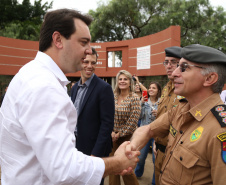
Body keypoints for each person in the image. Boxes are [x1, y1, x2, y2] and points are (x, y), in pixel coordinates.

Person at [0, 9, 140, 185]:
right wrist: (118, 162)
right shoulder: (44, 87)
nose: (89, 51)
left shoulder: (31, 74)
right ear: (58, 40)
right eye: (83, 42)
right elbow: (64, 169)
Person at [127, 44, 226, 184]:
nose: (174, 74)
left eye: (184, 67)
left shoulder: (220, 130)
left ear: (209, 78)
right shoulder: (182, 108)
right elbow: (148, 129)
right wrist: (131, 149)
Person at [71, 47, 115, 185]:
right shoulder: (73, 89)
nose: (89, 66)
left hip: (93, 151)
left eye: (93, 63)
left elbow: (107, 125)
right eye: (86, 62)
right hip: (74, 148)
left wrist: (95, 155)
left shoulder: (104, 88)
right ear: (80, 62)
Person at [154, 46, 182, 185]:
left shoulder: (184, 89)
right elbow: (161, 117)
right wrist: (155, 141)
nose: (169, 66)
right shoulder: (166, 88)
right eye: (166, 62)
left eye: (173, 62)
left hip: (175, 153)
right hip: (159, 149)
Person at [109, 70, 141, 185]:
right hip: (112, 138)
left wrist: (119, 133)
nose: (122, 81)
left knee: (126, 169)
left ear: (129, 82)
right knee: (112, 168)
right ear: (117, 81)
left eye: (125, 79)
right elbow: (108, 115)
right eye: (120, 79)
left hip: (127, 138)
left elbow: (133, 120)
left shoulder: (134, 98)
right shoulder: (113, 96)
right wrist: (111, 131)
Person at [135, 82, 162, 185]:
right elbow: (139, 117)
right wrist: (141, 103)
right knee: (141, 157)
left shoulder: (161, 102)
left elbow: (165, 118)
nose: (151, 89)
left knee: (156, 160)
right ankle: (137, 173)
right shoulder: (144, 101)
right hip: (145, 132)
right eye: (150, 88)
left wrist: (158, 114)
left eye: (153, 88)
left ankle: (155, 182)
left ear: (158, 91)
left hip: (157, 133)